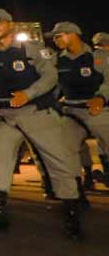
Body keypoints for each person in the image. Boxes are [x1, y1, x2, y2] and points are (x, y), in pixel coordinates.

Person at [0, 9, 82, 238]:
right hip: (7, 115)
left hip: (36, 112)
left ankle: (72, 214)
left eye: (0, 21)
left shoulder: (30, 48)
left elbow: (50, 76)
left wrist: (28, 94)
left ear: (10, 24)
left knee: (58, 160)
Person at [49, 21, 109, 192]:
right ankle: (75, 190)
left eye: (58, 36)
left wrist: (101, 97)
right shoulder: (57, 61)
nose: (55, 40)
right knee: (65, 147)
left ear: (73, 34)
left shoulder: (99, 57)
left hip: (98, 109)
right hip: (71, 111)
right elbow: (52, 85)